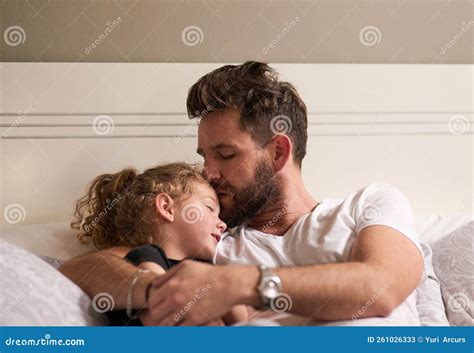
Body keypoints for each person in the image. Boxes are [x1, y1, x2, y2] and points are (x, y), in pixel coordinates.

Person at [60, 61, 425, 326]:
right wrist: (155, 289)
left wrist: (239, 283)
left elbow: (381, 287)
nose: (208, 172)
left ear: (278, 152)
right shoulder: (210, 242)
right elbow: (83, 267)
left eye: (226, 154)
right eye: (205, 156)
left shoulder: (368, 205)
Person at [70, 162, 246, 325]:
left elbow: (241, 321)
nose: (222, 224)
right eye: (209, 208)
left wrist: (226, 287)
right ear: (166, 208)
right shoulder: (146, 256)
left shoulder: (207, 268)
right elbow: (166, 308)